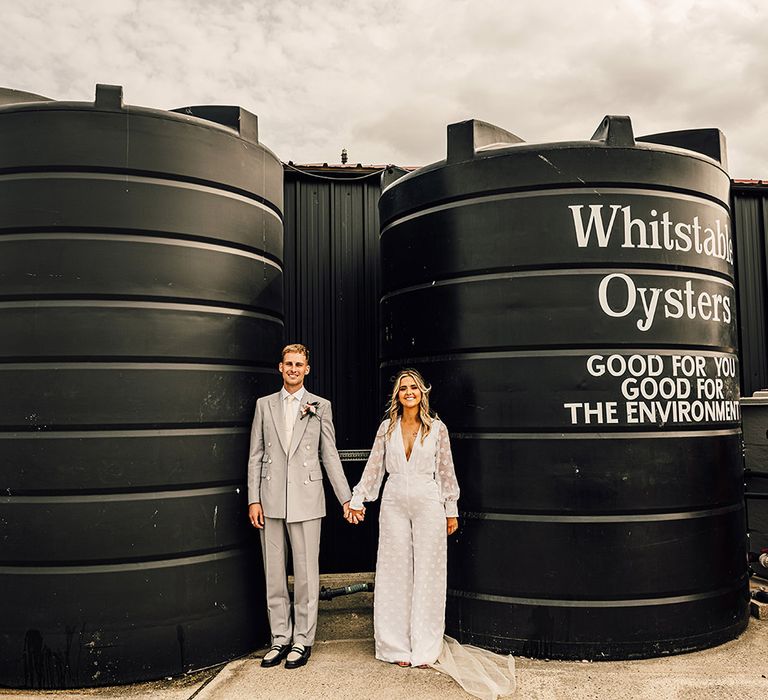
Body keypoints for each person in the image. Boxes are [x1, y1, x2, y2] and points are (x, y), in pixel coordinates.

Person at [247, 343, 352, 669]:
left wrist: (346, 497)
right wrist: (254, 498)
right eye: (288, 364)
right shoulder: (264, 406)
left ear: (307, 369)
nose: (293, 369)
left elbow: (329, 454)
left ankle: (302, 640)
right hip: (271, 498)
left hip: (307, 500)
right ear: (280, 367)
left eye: (299, 365)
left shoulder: (321, 406)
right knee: (274, 574)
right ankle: (279, 638)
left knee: (307, 576)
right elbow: (256, 455)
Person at [347, 368, 460, 667]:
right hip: (394, 500)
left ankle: (425, 646)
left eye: (413, 387)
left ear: (423, 392)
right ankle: (395, 647)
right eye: (402, 388)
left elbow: (446, 471)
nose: (408, 392)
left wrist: (451, 510)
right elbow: (374, 468)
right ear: (397, 395)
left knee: (429, 573)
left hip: (428, 501)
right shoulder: (386, 428)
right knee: (393, 572)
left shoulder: (437, 428)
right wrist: (358, 499)